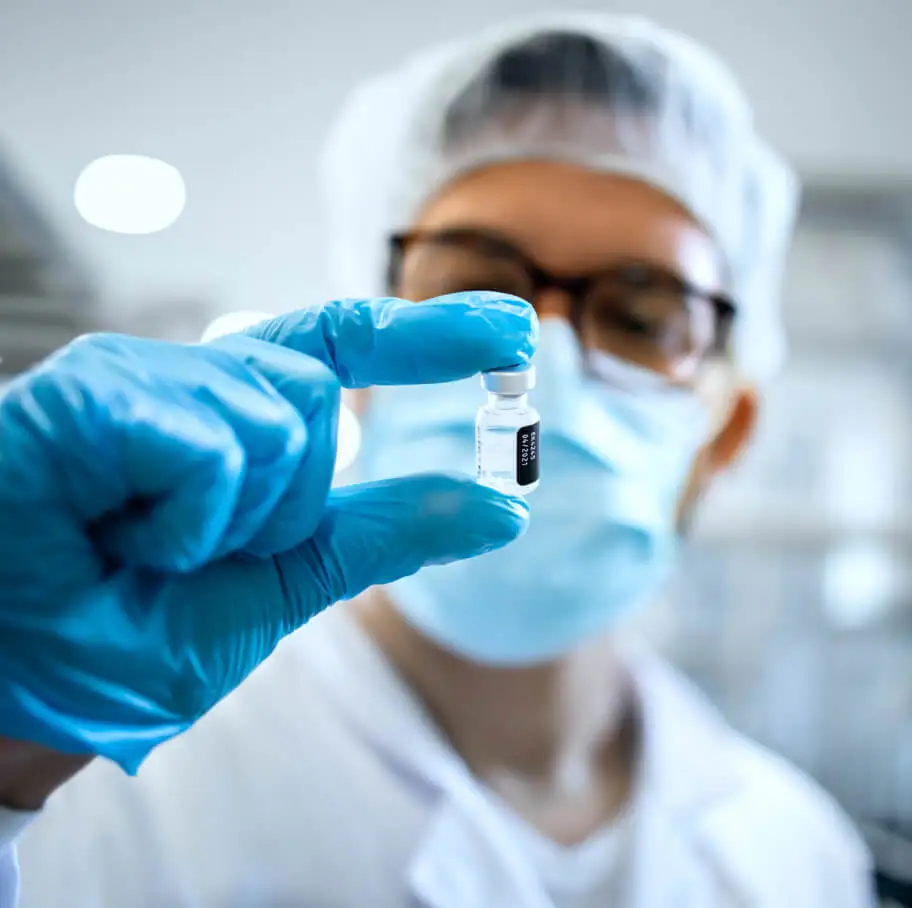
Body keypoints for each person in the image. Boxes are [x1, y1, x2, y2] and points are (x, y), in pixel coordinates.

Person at [17, 12, 875, 908]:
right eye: (478, 286)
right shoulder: (97, 781)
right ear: (363, 370)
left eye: (640, 315)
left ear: (724, 432)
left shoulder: (797, 858)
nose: (549, 361)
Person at [0, 293, 536, 906]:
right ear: (364, 390)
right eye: (476, 277)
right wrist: (7, 756)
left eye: (640, 321)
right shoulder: (135, 753)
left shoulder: (677, 748)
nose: (567, 361)